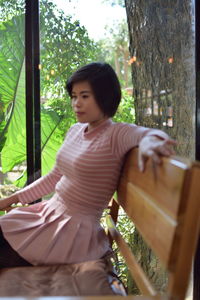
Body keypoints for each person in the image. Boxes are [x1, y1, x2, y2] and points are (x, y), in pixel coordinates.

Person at [0, 62, 175, 268]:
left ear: (105, 97)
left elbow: (150, 135)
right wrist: (12, 199)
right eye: (74, 96)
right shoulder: (75, 130)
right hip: (48, 214)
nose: (77, 103)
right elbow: (55, 176)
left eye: (85, 96)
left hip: (71, 232)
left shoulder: (115, 134)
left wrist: (148, 144)